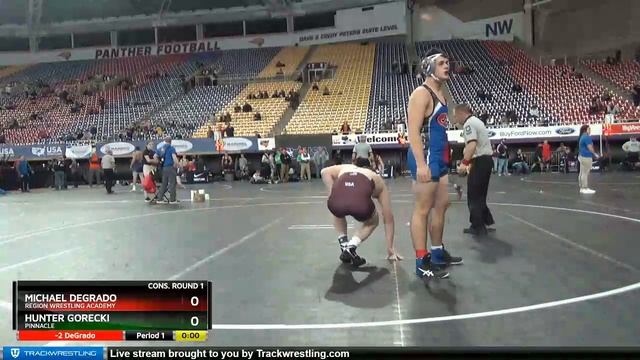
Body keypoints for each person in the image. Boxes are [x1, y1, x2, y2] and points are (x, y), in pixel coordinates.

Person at [406, 48, 463, 281]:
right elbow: (413, 131)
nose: (447, 66)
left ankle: (437, 252)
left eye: (448, 62)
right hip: (426, 158)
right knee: (422, 209)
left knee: (443, 204)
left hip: (439, 157)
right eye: (441, 63)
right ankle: (421, 261)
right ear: (429, 67)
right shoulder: (422, 94)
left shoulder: (443, 94)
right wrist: (421, 164)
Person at [321, 160, 402, 266]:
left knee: (338, 211)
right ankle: (351, 246)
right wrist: (390, 248)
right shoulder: (377, 178)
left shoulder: (347, 167)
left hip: (336, 202)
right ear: (371, 169)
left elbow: (324, 172)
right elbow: (388, 217)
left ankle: (344, 244)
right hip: (360, 205)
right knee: (373, 221)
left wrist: (332, 193)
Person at [453, 103, 495, 236]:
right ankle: (482, 222)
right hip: (485, 160)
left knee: (474, 195)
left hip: (480, 161)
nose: (455, 119)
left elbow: (472, 144)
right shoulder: (476, 121)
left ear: (461, 113)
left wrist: (464, 163)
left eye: (455, 115)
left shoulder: (469, 124)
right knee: (480, 194)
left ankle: (478, 227)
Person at [151, 136, 179, 204]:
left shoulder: (161, 148)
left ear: (164, 141)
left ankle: (160, 199)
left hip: (164, 168)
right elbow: (174, 158)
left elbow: (154, 156)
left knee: (164, 183)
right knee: (172, 183)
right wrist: (177, 164)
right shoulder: (171, 148)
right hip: (170, 167)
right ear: (170, 141)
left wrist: (159, 162)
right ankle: (172, 199)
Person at [578, 125, 599, 194]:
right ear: (586, 130)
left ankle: (581, 188)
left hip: (582, 156)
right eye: (589, 129)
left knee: (582, 173)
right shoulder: (587, 137)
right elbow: (590, 147)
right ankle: (585, 188)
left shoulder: (582, 137)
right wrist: (595, 154)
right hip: (586, 157)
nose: (590, 130)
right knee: (585, 173)